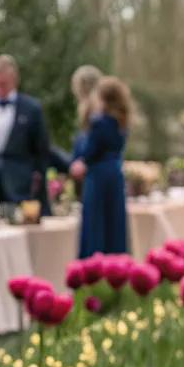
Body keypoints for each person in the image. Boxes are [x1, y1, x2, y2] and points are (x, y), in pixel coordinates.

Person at [0, 54, 51, 214]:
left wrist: (36, 182)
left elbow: (41, 150)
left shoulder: (31, 109)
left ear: (14, 80)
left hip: (20, 186)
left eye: (2, 84)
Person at [73, 76, 130, 258]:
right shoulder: (121, 123)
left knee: (95, 223)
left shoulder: (99, 123)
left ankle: (93, 262)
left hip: (98, 175)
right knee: (114, 222)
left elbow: (88, 151)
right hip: (115, 174)